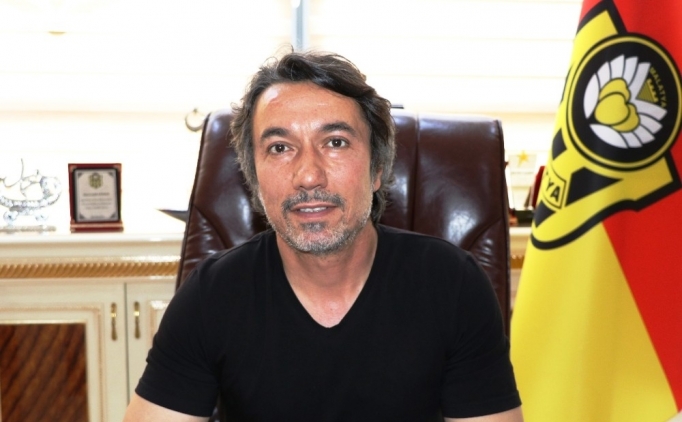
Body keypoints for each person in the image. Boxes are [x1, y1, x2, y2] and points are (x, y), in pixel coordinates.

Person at [123, 50, 523, 422]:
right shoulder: (212, 296)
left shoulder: (452, 285)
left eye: (335, 142)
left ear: (377, 169)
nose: (309, 175)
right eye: (280, 148)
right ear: (254, 179)